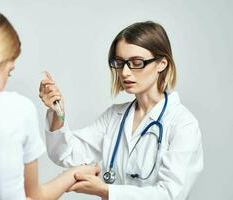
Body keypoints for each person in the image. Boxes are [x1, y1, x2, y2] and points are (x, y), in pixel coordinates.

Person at [0, 6, 99, 200]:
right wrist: (71, 175)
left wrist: (59, 112)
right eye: (9, 72)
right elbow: (34, 197)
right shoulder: (16, 108)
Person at [39, 21, 204, 200]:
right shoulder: (115, 116)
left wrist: (107, 191)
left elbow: (171, 194)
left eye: (136, 62)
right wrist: (58, 112)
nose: (125, 72)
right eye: (120, 62)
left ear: (161, 64)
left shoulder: (182, 124)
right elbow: (67, 154)